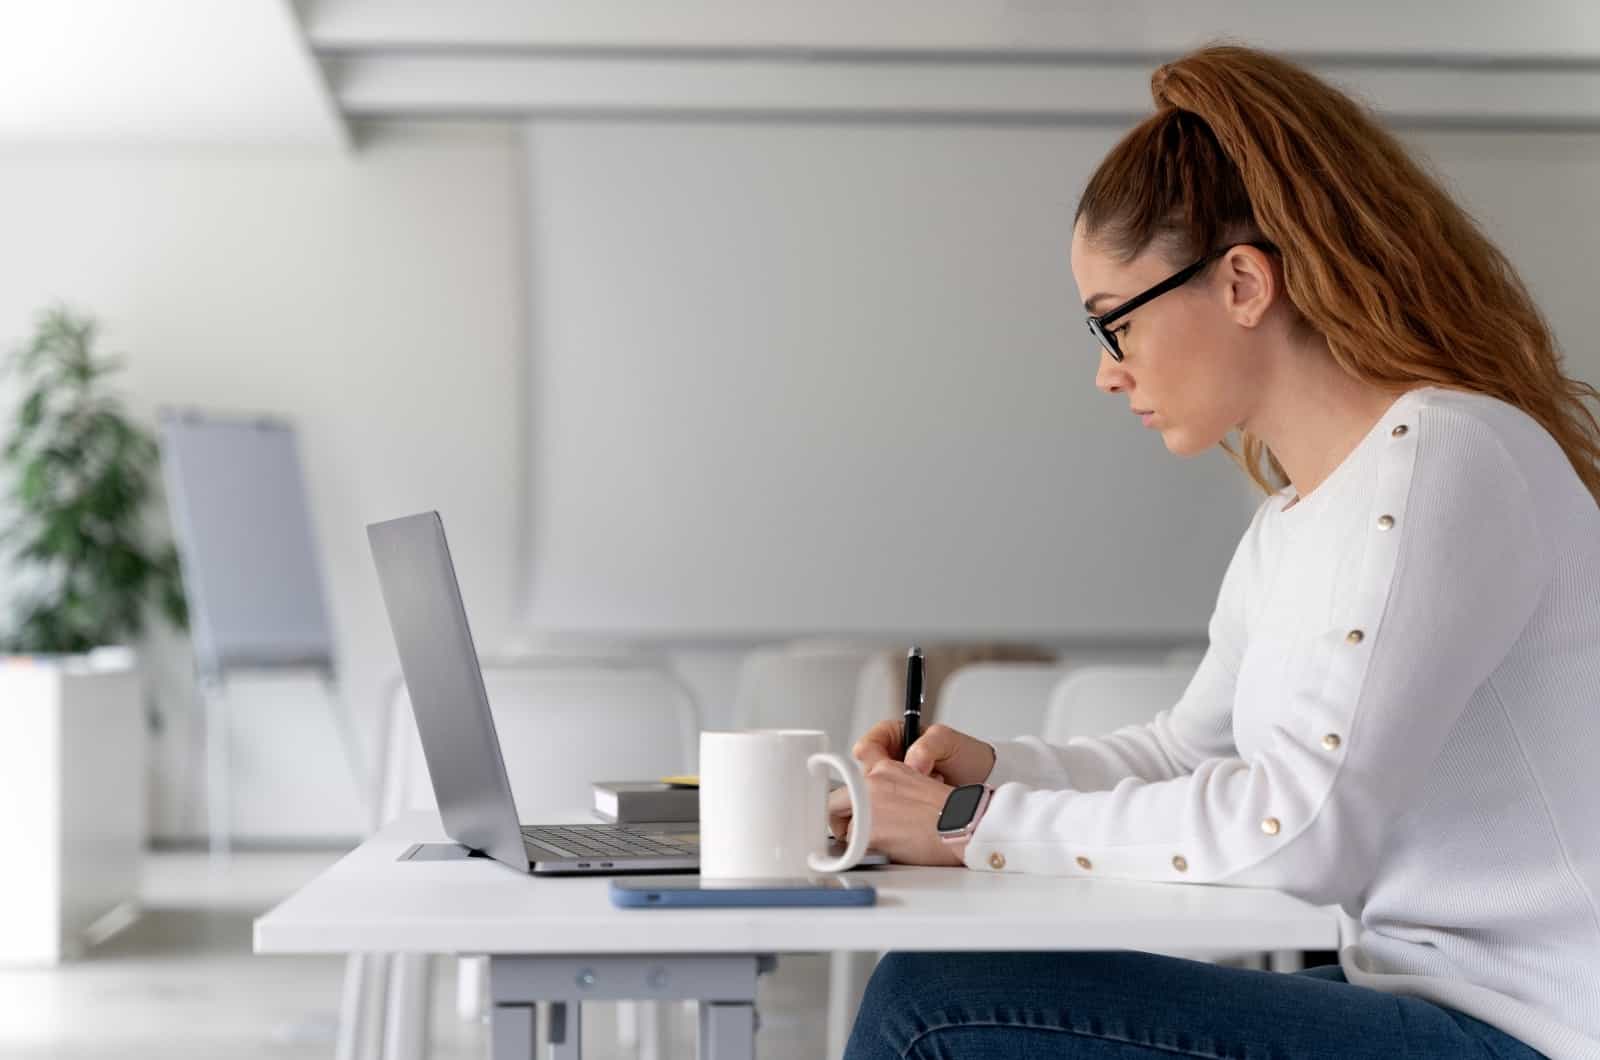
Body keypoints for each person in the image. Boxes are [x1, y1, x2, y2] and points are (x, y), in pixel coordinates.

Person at [827, 44, 1600, 1060]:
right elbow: (1186, 753)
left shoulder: (1447, 457)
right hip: (1420, 1000)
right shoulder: (1294, 518)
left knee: (932, 1005)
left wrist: (970, 821)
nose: (1109, 375)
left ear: (1241, 282)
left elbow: (1302, 832)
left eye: (1116, 325)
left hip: (1532, 1030)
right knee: (936, 992)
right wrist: (987, 769)